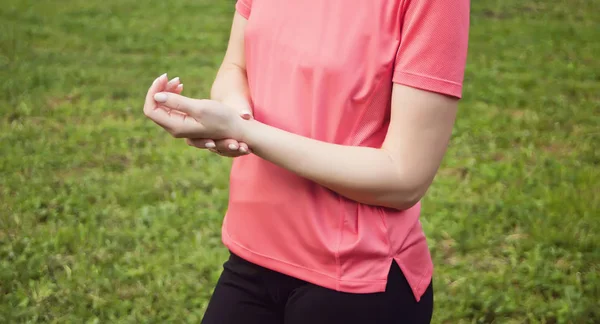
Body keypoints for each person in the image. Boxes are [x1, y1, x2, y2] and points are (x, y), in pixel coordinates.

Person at [143, 0, 470, 322]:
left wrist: (245, 131)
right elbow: (235, 67)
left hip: (356, 277)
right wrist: (235, 118)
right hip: (253, 252)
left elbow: (404, 177)